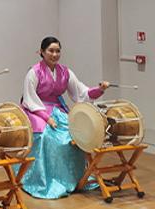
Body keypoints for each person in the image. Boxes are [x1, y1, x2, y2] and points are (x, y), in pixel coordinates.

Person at [20, 36, 110, 199]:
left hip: (57, 108)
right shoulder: (34, 72)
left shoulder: (65, 71)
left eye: (57, 51)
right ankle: (45, 179)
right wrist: (46, 118)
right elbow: (29, 99)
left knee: (74, 134)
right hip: (36, 109)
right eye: (50, 50)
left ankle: (74, 178)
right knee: (47, 136)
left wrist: (100, 89)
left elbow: (82, 93)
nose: (54, 54)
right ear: (41, 52)